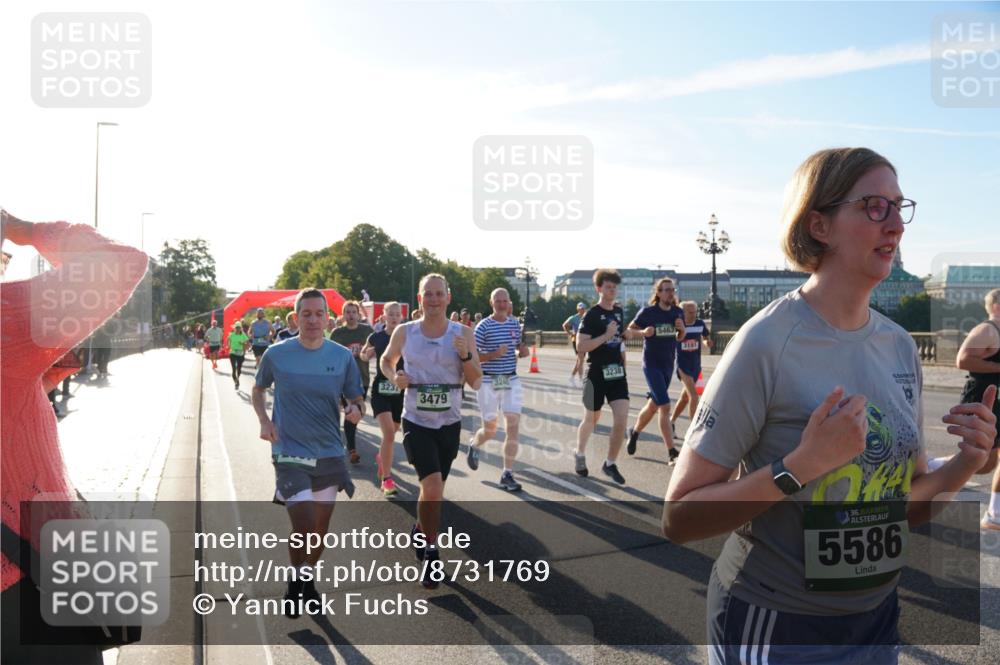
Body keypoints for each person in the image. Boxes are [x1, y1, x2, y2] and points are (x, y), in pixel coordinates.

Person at [662, 148, 997, 664]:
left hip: (876, 617)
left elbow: (906, 509)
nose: (896, 226)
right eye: (873, 207)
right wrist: (801, 466)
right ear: (819, 224)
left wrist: (964, 465)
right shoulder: (766, 342)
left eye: (899, 207)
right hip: (776, 621)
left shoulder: (899, 345)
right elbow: (680, 518)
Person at [1, 209, 148, 664]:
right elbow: (121, 264)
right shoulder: (7, 322)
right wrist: (25, 230)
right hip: (24, 575)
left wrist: (36, 379)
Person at [252, 288, 364, 617]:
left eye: (319, 314)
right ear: (296, 317)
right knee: (302, 525)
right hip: (290, 451)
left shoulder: (342, 357)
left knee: (319, 530)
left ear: (329, 318)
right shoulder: (277, 354)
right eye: (306, 314)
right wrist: (263, 420)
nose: (313, 320)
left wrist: (356, 410)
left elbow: (356, 399)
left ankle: (305, 577)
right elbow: (258, 389)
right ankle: (297, 581)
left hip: (329, 451)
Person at [380, 274, 482, 588]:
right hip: (416, 422)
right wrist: (395, 374)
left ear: (448, 298)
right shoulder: (405, 331)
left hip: (449, 423)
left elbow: (476, 381)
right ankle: (431, 552)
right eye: (429, 294)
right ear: (421, 298)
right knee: (433, 486)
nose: (434, 299)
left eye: (440, 294)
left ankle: (421, 529)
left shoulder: (463, 333)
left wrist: (465, 354)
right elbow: (386, 361)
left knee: (433, 490)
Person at [574, 270, 647, 484]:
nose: (612, 290)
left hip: (616, 374)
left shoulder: (619, 311)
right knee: (591, 419)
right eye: (608, 286)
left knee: (622, 418)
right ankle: (579, 453)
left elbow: (619, 337)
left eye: (615, 287)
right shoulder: (591, 315)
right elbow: (581, 345)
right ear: (598, 289)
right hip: (596, 373)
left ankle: (610, 463)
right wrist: (605, 335)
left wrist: (630, 335)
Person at [467, 288, 530, 491]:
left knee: (513, 425)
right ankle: (475, 444)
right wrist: (494, 354)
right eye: (498, 301)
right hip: (488, 382)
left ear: (509, 303)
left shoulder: (514, 324)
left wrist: (523, 350)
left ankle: (507, 473)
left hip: (510, 380)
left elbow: (519, 347)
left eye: (505, 301)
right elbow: (473, 356)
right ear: (491, 302)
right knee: (490, 430)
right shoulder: (483, 326)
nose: (502, 304)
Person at [626, 278, 685, 462]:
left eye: (671, 290)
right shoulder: (648, 312)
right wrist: (643, 333)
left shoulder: (677, 312)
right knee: (665, 406)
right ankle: (671, 451)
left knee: (653, 406)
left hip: (668, 364)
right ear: (658, 293)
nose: (669, 293)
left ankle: (634, 432)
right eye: (665, 290)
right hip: (651, 365)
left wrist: (682, 329)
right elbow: (628, 331)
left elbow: (680, 337)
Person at [956, 288, 1000, 530]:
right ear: (996, 306)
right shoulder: (987, 330)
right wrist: (996, 368)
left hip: (997, 400)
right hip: (982, 400)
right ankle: (932, 467)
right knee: (982, 464)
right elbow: (962, 359)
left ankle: (995, 514)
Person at [361, 301, 405, 497]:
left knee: (393, 432)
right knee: (388, 433)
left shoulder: (407, 337)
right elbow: (363, 354)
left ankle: (382, 457)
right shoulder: (376, 337)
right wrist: (367, 353)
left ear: (401, 317)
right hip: (380, 389)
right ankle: (387, 479)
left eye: (398, 314)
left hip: (401, 391)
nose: (395, 317)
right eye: (391, 314)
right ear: (384, 316)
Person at [330, 301, 374, 464]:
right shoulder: (337, 333)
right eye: (347, 312)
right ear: (343, 314)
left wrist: (370, 353)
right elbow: (331, 355)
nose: (350, 315)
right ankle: (352, 449)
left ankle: (348, 443)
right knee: (350, 412)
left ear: (358, 314)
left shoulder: (366, 331)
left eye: (353, 312)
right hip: (342, 380)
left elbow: (376, 350)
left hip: (362, 379)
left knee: (357, 413)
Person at [670, 300, 713, 438]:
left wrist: (707, 342)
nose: (693, 314)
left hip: (696, 365)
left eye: (695, 311)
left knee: (685, 398)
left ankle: (671, 421)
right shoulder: (677, 325)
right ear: (683, 313)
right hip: (683, 365)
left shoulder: (700, 324)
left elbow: (705, 337)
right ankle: (693, 430)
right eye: (690, 312)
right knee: (694, 396)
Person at [563, 302, 588, 387]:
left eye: (583, 308)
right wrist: (570, 333)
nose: (582, 310)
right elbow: (564, 325)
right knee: (580, 360)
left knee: (579, 360)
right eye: (580, 309)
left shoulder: (587, 318)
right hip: (576, 340)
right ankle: (581, 380)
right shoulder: (573, 318)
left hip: (584, 340)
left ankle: (572, 377)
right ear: (577, 309)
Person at [228, 322, 250, 390]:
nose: (238, 329)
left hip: (240, 353)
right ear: (234, 328)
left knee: (239, 369)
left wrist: (243, 343)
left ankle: (237, 378)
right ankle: (236, 382)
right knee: (234, 369)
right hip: (233, 353)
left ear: (241, 328)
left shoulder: (243, 334)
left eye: (239, 328)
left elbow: (247, 342)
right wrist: (229, 346)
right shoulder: (231, 335)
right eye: (236, 328)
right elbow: (229, 342)